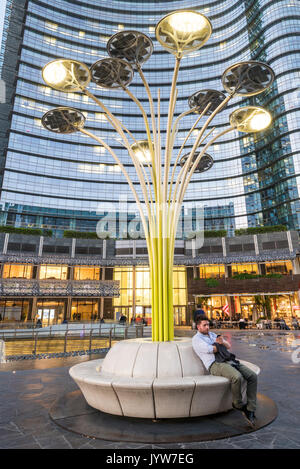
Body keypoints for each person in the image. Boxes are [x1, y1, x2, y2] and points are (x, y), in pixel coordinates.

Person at [192, 316, 257, 426]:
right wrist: (219, 343)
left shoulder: (212, 335)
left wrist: (221, 342)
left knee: (252, 376)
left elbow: (228, 345)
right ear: (198, 326)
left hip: (228, 360)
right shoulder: (196, 339)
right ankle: (238, 404)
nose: (207, 327)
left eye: (208, 325)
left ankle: (250, 409)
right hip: (215, 364)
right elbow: (211, 350)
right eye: (204, 325)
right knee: (237, 377)